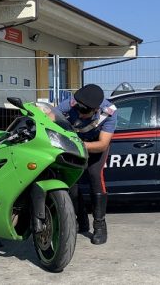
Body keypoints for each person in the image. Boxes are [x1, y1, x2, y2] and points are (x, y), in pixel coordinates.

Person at [57, 84, 117, 245]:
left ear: (96, 109)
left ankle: (99, 226)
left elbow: (103, 144)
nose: (81, 117)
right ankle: (81, 221)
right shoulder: (70, 103)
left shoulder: (109, 112)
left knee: (94, 176)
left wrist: (80, 145)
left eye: (86, 114)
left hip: (96, 146)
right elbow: (50, 117)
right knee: (71, 182)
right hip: (74, 145)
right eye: (79, 112)